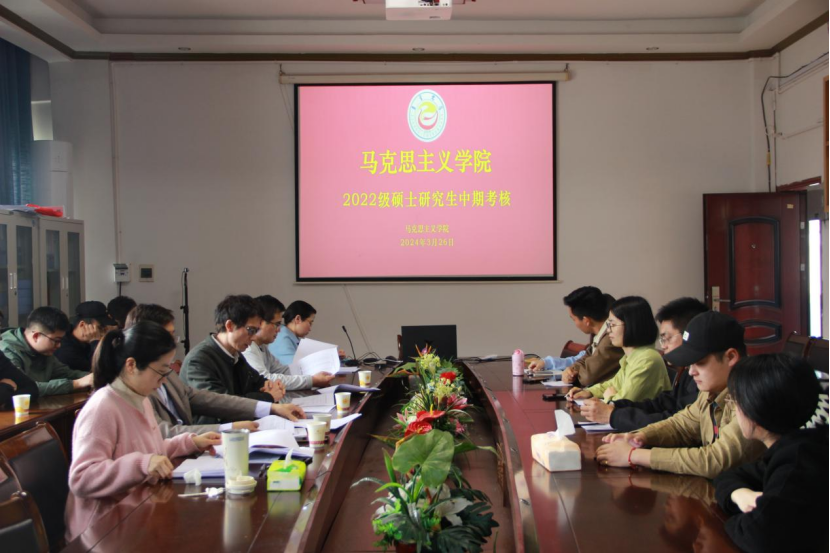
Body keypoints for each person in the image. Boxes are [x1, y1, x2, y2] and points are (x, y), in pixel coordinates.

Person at [65, 321, 223, 541]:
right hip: (104, 529)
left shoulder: (140, 398)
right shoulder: (103, 407)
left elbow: (151, 450)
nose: (163, 381)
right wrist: (142, 464)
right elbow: (82, 478)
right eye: (160, 372)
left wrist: (190, 442)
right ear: (131, 365)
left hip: (137, 511)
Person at [596, 311, 765, 479]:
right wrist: (639, 436)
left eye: (700, 363)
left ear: (730, 357)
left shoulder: (752, 396)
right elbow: (682, 425)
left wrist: (633, 455)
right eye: (690, 364)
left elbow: (715, 461)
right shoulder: (711, 391)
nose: (691, 372)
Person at [126, 303, 305, 437]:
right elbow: (165, 432)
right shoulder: (197, 360)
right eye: (168, 336)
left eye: (173, 336)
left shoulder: (166, 372)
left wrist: (270, 405)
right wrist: (231, 427)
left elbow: (204, 397)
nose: (173, 342)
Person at [714, 354, 828, 552]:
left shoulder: (797, 464)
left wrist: (733, 519)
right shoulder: (792, 448)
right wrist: (741, 495)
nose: (735, 410)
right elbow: (727, 476)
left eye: (736, 402)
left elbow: (759, 537)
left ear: (755, 408)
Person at [580, 297, 707, 428]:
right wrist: (611, 404)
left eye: (667, 338)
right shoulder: (687, 373)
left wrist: (611, 409)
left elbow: (676, 422)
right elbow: (663, 404)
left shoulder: (647, 359)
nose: (663, 346)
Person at [180, 295, 287, 424]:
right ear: (230, 325)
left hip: (238, 426)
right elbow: (222, 405)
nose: (254, 337)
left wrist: (271, 385)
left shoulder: (235, 353)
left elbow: (257, 381)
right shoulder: (198, 360)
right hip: (211, 431)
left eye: (256, 331)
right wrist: (268, 397)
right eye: (251, 330)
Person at [567, 296, 671, 403]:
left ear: (631, 325)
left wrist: (609, 397)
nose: (608, 330)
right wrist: (589, 392)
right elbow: (614, 384)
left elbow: (623, 402)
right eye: (608, 325)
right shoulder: (632, 356)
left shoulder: (646, 359)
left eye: (612, 324)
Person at [529, 286, 623, 387]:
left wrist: (570, 374)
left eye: (574, 319)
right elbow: (584, 357)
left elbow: (587, 377)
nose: (575, 324)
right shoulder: (599, 335)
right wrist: (571, 369)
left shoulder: (610, 339)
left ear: (586, 321)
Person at [243, 295, 335, 394]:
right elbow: (266, 379)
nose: (279, 330)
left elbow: (283, 370)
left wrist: (314, 376)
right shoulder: (248, 348)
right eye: (276, 324)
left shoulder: (262, 347)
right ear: (260, 323)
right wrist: (312, 380)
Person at [0, 307, 93, 396]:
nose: (59, 345)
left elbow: (65, 373)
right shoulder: (7, 351)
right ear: (36, 336)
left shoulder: (45, 351)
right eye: (56, 340)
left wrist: (93, 377)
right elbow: (26, 387)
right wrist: (76, 384)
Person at [54, 301, 115, 372]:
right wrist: (95, 342)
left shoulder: (84, 341)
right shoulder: (65, 349)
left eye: (105, 328)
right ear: (82, 325)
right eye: (100, 328)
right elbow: (99, 370)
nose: (103, 333)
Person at [270, 300, 317, 365]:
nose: (310, 328)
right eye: (310, 323)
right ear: (298, 319)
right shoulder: (282, 337)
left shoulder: (290, 337)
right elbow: (293, 366)